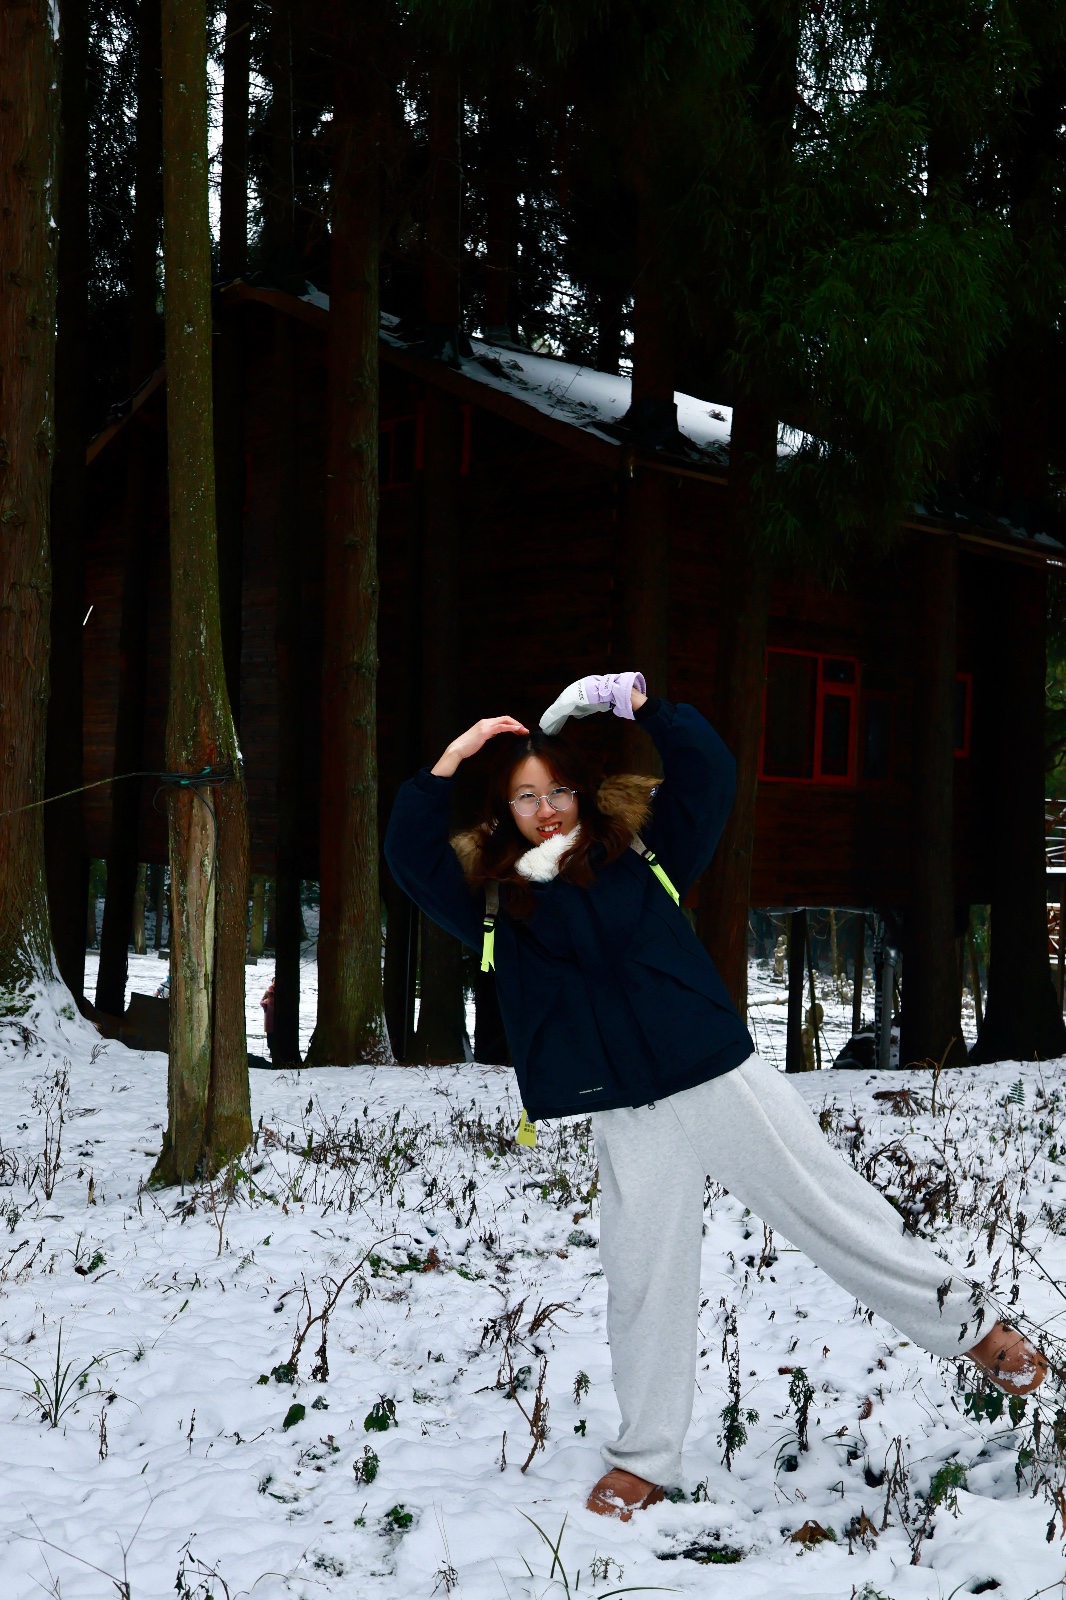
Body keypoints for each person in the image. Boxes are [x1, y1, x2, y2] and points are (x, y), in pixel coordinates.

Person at [385, 674, 1048, 1521]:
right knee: (644, 1278)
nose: (545, 809)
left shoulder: (641, 852)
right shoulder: (496, 900)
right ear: (503, 810)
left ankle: (976, 1330)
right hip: (625, 1108)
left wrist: (637, 703)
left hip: (716, 1076)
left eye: (557, 791)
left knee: (832, 1211)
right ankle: (645, 1458)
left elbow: (710, 771)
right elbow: (408, 856)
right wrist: (455, 753)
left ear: (581, 793)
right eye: (525, 797)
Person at [260, 980, 276, 1060]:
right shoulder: (268, 992)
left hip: (278, 1017)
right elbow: (261, 1002)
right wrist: (264, 1003)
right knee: (270, 1034)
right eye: (274, 981)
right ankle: (271, 1051)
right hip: (269, 1017)